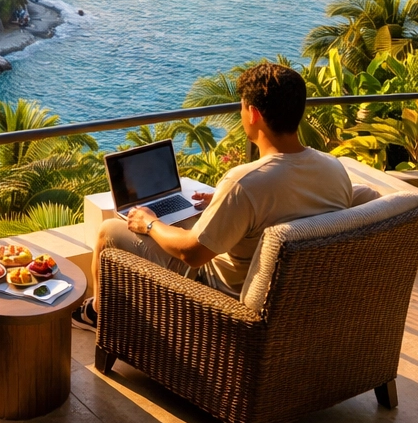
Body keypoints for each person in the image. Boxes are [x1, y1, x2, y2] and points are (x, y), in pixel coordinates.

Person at [75, 61, 355, 328]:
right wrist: (224, 202)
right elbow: (289, 205)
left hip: (224, 294)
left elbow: (192, 254)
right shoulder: (333, 168)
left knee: (109, 231)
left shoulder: (245, 183)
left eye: (242, 107)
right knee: (188, 220)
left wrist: (150, 223)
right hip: (297, 294)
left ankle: (97, 313)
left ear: (254, 114)